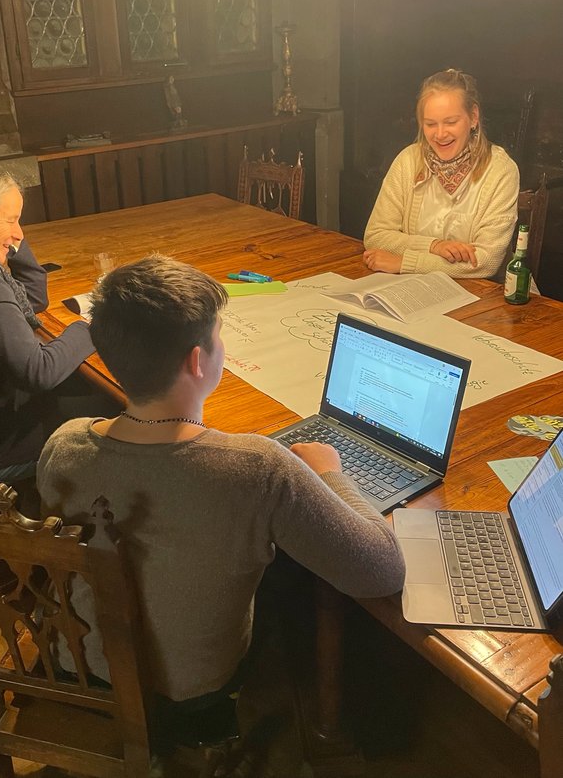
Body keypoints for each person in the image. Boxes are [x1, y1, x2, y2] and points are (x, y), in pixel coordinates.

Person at [36, 253, 405, 710]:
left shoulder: (63, 444)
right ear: (197, 361)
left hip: (76, 665)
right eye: (218, 336)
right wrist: (331, 473)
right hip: (191, 695)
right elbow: (381, 572)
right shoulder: (257, 468)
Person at [0, 159, 108, 493]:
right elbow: (38, 372)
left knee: (86, 390)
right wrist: (90, 325)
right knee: (122, 407)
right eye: (11, 219)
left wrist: (7, 239)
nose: (20, 233)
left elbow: (32, 299)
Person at [363, 68, 519, 279]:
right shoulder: (408, 160)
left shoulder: (501, 170)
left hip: (486, 292)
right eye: (430, 124)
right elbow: (375, 236)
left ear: (473, 117)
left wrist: (405, 262)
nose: (440, 134)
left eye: (451, 122)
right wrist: (434, 246)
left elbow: (485, 262)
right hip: (415, 287)